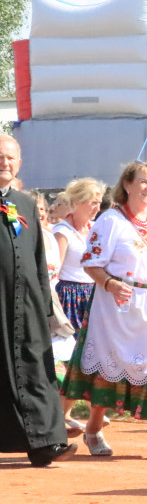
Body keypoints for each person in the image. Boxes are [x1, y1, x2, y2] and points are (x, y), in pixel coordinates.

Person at [62, 161, 147, 460]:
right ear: (127, 185)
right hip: (117, 308)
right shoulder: (110, 221)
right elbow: (91, 263)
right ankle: (93, 429)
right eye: (143, 181)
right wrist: (109, 284)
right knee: (110, 366)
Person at [0, 134, 78, 467]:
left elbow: (36, 255)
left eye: (10, 158)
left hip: (27, 302)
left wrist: (46, 305)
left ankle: (46, 442)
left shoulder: (25, 203)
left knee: (36, 367)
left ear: (19, 164)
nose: (5, 162)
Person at [31, 191, 81, 437]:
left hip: (53, 305)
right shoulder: (20, 236)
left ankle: (63, 417)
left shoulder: (51, 236)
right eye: (34, 208)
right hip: (30, 305)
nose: (40, 212)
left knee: (70, 359)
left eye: (41, 208)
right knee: (44, 365)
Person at [52, 178, 104, 338]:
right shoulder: (62, 231)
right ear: (77, 202)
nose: (98, 208)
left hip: (95, 294)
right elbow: (54, 270)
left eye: (99, 202)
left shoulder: (96, 228)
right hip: (70, 296)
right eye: (93, 203)